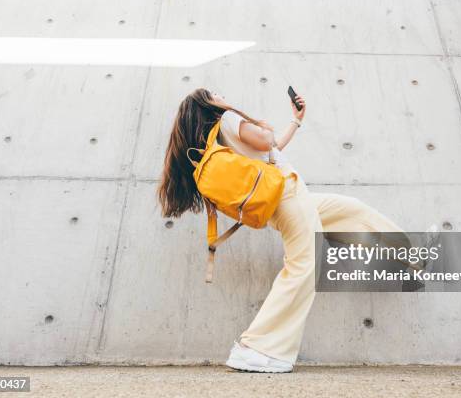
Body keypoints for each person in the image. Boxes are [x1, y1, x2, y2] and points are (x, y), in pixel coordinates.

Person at [158, 88, 418, 373]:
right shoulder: (229, 119)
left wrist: (296, 121)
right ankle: (257, 348)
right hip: (287, 194)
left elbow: (271, 151)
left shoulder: (218, 140)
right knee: (303, 265)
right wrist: (259, 123)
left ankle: (410, 253)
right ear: (208, 104)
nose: (223, 96)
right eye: (217, 94)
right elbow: (266, 139)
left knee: (350, 210)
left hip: (280, 201)